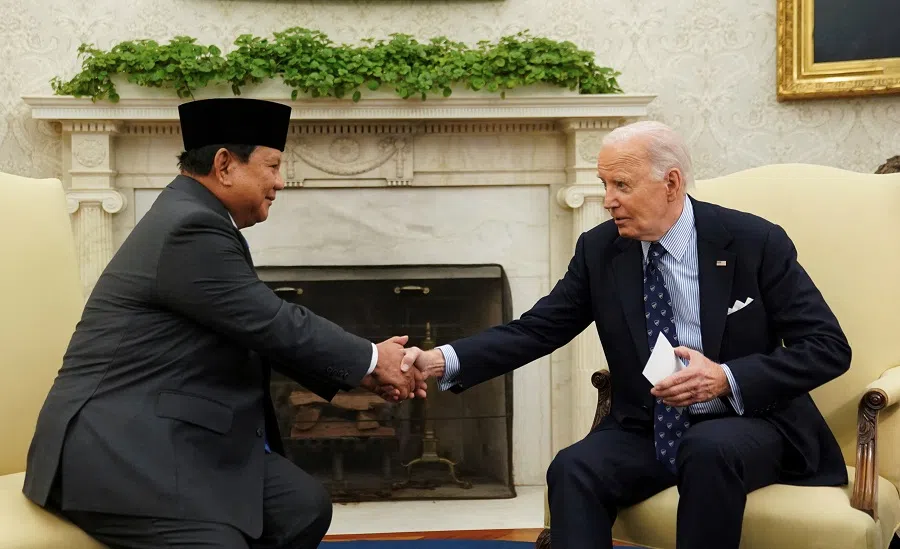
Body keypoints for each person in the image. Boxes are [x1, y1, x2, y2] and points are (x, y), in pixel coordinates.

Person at [404, 121, 852, 549]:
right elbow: (538, 328)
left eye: (621, 185)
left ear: (671, 183)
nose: (607, 200)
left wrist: (725, 378)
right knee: (572, 467)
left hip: (750, 420)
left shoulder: (753, 242)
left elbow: (828, 347)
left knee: (707, 448)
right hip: (647, 425)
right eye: (604, 185)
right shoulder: (601, 250)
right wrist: (443, 359)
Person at [22, 97, 425, 549]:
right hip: (115, 451)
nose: (280, 182)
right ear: (224, 165)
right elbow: (275, 322)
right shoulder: (189, 227)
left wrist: (365, 372)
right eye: (272, 166)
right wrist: (371, 359)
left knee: (301, 506)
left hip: (173, 432)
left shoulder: (194, 216)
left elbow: (259, 330)